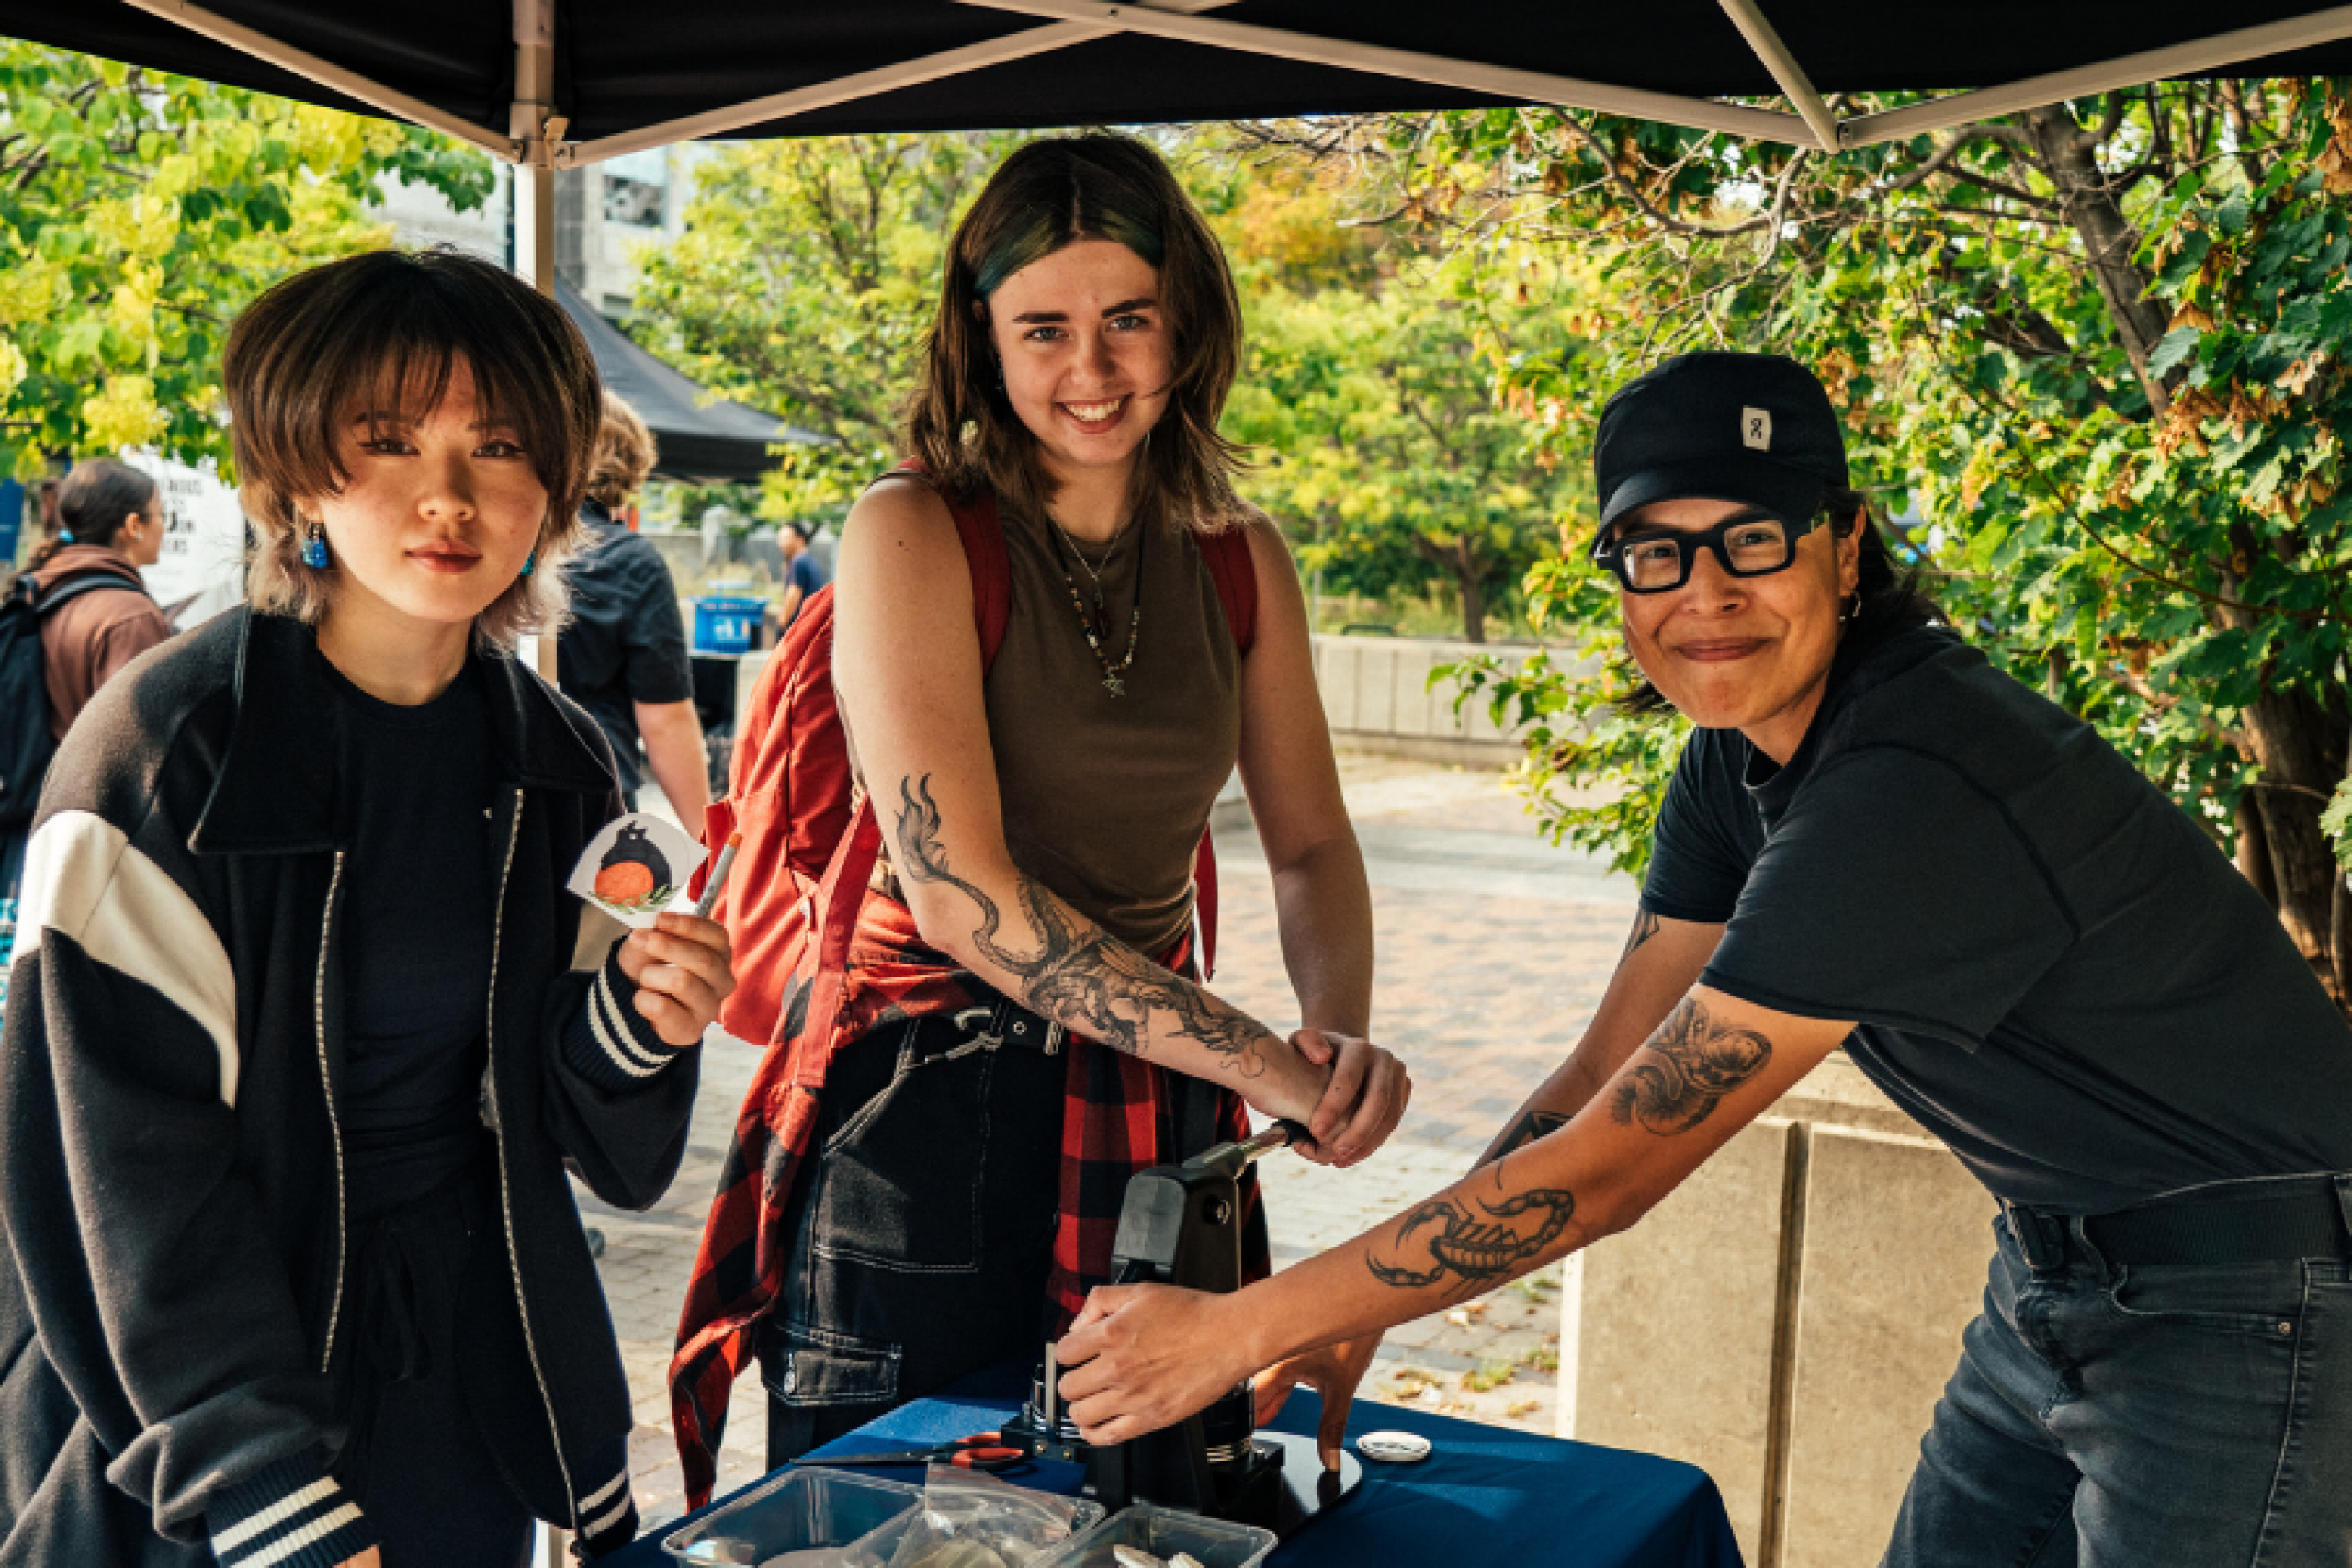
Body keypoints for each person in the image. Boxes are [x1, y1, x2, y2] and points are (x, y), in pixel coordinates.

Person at [1054, 350, 2352, 1564]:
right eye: (1656, 553)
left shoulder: (1906, 783)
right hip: (2059, 1266)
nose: (1706, 594)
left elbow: (1615, 1169)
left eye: (1754, 541)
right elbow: (1602, 1075)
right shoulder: (1737, 763)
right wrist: (1361, 1303)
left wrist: (1240, 1327)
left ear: (1845, 551)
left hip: (2254, 1292)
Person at [672, 134, 1409, 1492]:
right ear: (982, 339)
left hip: (1154, 1109)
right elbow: (966, 898)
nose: (1092, 369)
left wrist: (1337, 1031)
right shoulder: (911, 530)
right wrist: (1264, 1061)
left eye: (1128, 319)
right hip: (930, 1113)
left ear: (1185, 325)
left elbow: (1309, 841)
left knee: (1141, 1503)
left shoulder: (1241, 558)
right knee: (894, 1518)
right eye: (1045, 327)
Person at [0, 248, 736, 1568]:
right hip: (196, 1436)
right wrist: (271, 1491)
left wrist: (638, 1022)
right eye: (387, 440)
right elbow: (118, 1173)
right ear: (295, 473)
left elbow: (599, 1151)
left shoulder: (558, 760)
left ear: (557, 483)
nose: (447, 496)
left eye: (499, 444)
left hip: (465, 1389)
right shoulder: (167, 753)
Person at [557, 391, 710, 823]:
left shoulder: (504, 547)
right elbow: (664, 718)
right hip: (598, 805)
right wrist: (707, 842)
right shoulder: (632, 562)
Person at [23, 459, 176, 739]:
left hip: (41, 778)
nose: (165, 528)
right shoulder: (130, 615)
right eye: (161, 516)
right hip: (93, 782)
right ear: (134, 525)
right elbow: (137, 741)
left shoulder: (44, 584)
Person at [770, 520, 826, 632]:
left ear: (800, 539)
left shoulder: (798, 562)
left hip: (798, 626)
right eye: (780, 539)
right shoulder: (809, 560)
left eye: (785, 538)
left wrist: (782, 622)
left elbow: (793, 594)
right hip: (810, 624)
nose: (781, 543)